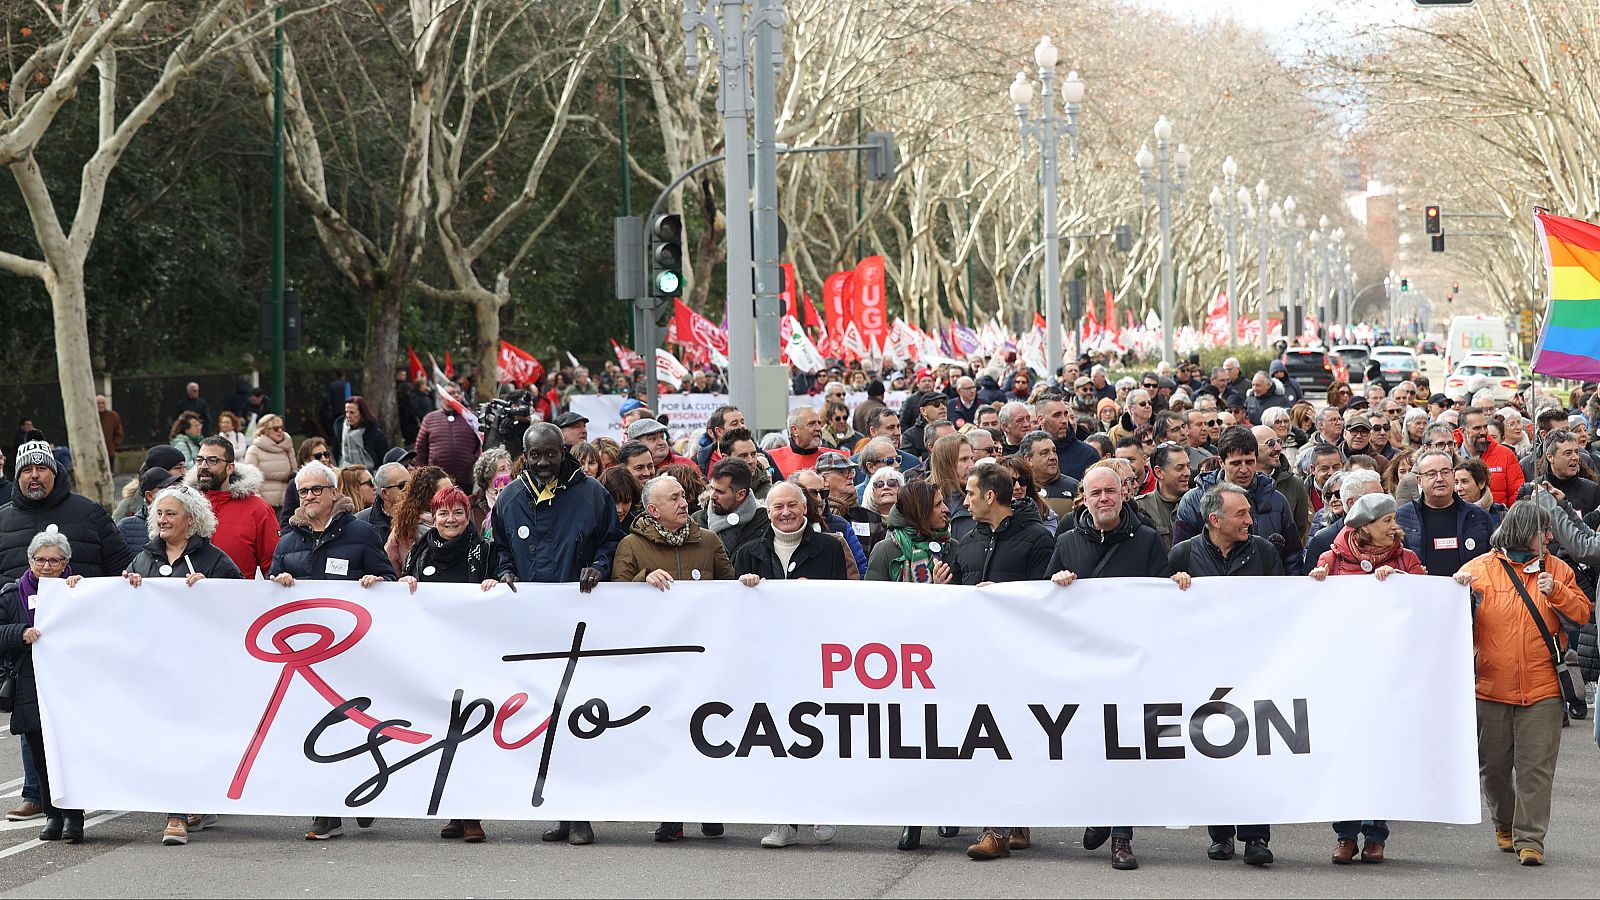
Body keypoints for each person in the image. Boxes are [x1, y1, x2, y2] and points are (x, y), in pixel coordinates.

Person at [489, 423, 621, 848]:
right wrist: (505, 570)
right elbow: (502, 549)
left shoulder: (592, 495)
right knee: (544, 720)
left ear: (563, 452)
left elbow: (611, 542)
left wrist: (599, 567)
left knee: (576, 719)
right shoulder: (509, 499)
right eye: (535, 456)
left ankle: (580, 813)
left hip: (581, 625)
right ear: (523, 456)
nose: (543, 463)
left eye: (551, 454)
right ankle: (558, 812)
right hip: (532, 630)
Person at [1456, 500, 1591, 866]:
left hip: (1544, 689)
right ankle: (1504, 823)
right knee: (1495, 768)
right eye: (1543, 531)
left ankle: (1530, 839)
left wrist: (1557, 592)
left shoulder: (1557, 570)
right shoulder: (1477, 571)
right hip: (1490, 688)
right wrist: (1459, 594)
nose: (1549, 537)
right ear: (1525, 532)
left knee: (1536, 770)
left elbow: (1583, 614)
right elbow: (1450, 626)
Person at [270, 461, 394, 840]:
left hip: (353, 653)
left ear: (333, 492)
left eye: (316, 490)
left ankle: (364, 795)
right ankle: (324, 811)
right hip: (307, 660)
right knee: (312, 729)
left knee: (353, 728)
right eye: (303, 491)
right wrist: (278, 581)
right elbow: (271, 592)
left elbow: (388, 577)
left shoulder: (361, 533)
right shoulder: (287, 541)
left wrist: (377, 581)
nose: (309, 497)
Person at [611, 474, 735, 844]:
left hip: (705, 659)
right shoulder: (631, 546)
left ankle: (711, 809)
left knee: (709, 734)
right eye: (674, 498)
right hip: (659, 660)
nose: (684, 502)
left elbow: (731, 592)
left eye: (684, 496)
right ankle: (672, 814)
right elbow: (615, 599)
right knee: (666, 737)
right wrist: (643, 579)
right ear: (653, 510)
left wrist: (746, 583)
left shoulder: (708, 541)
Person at [120, 484, 243, 845]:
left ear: (191, 521)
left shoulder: (215, 560)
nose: (162, 520)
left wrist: (213, 589)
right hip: (158, 667)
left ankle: (194, 804)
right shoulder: (142, 559)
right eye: (159, 513)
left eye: (170, 513)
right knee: (169, 736)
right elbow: (117, 604)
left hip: (202, 668)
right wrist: (125, 586)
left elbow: (241, 605)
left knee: (196, 737)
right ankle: (177, 812)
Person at [1304, 492, 1423, 864]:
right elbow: (1311, 613)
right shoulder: (1332, 559)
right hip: (1343, 675)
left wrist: (1402, 581)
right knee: (1345, 753)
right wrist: (1316, 584)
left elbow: (1426, 599)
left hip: (1388, 674)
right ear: (1365, 526)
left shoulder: (1406, 558)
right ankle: (1345, 834)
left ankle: (1376, 834)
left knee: (1379, 752)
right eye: (1386, 520)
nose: (1394, 526)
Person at [1167, 482, 1282, 865]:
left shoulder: (1264, 552)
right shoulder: (1182, 554)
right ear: (1214, 520)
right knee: (1212, 747)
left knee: (1253, 750)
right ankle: (1220, 834)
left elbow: (1284, 602)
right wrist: (1173, 588)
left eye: (1250, 513)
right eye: (1242, 515)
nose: (1251, 520)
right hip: (1203, 668)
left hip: (1253, 667)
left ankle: (1255, 838)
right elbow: (1160, 608)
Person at [733, 481, 846, 850]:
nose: (785, 512)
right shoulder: (748, 552)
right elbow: (736, 609)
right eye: (778, 506)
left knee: (819, 734)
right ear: (768, 512)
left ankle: (822, 808)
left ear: (804, 508)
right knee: (778, 740)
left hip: (815, 658)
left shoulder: (829, 547)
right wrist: (746, 587)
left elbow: (840, 602)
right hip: (768, 661)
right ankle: (783, 819)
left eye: (792, 505)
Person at [954, 461, 1052, 862]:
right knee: (990, 741)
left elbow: (1045, 598)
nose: (965, 501)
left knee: (1017, 739)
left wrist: (1007, 596)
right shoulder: (966, 541)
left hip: (1022, 658)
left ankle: (1004, 826)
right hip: (980, 658)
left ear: (990, 496)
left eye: (970, 494)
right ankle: (1004, 825)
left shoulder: (1037, 540)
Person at [390, 484, 497, 844]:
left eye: (458, 513)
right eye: (443, 513)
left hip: (471, 655)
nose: (450, 520)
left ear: (469, 516)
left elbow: (501, 589)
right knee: (442, 733)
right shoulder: (420, 550)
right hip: (433, 655)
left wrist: (492, 586)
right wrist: (404, 583)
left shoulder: (484, 551)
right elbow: (405, 589)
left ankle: (472, 815)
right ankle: (453, 810)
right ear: (432, 517)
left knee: (468, 732)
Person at [1, 527, 86, 842]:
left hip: (71, 686)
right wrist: (20, 632)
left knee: (70, 754)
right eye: (41, 560)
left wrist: (81, 594)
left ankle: (74, 817)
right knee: (39, 753)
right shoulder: (12, 595)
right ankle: (52, 815)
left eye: (55, 561)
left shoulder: (79, 589)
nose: (47, 567)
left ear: (66, 562)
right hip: (31, 685)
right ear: (29, 560)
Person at [1172, 427, 1303, 575]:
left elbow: (1293, 558)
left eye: (1249, 462)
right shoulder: (1193, 501)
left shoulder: (1277, 501)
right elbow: (1183, 556)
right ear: (1221, 462)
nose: (1244, 469)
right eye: (1236, 463)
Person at [0, 439, 132, 581]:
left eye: (41, 468)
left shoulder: (92, 514)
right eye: (27, 470)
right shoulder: (2, 519)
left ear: (54, 473)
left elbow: (123, 572)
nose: (34, 475)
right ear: (18, 477)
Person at [188, 437, 278, 578]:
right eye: (199, 460)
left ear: (230, 468)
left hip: (239, 597)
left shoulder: (258, 509)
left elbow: (274, 567)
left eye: (212, 460)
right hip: (187, 597)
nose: (203, 466)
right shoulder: (184, 505)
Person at [1397, 448, 1495, 575]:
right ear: (1419, 480)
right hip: (1420, 592)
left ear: (1453, 475)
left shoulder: (1479, 516)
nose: (1439, 479)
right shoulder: (1402, 518)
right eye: (1431, 474)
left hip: (1469, 592)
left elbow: (1492, 563)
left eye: (1445, 472)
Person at [691, 458, 769, 555]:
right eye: (712, 489)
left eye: (720, 492)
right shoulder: (697, 521)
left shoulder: (765, 522)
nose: (712, 496)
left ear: (740, 495)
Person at [384, 466, 451, 573]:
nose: (452, 497)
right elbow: (389, 571)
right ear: (427, 497)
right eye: (445, 494)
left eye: (453, 491)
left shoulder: (459, 525)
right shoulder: (402, 531)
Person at [415, 383, 482, 489]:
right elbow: (421, 449)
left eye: (458, 393)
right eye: (451, 393)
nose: (456, 395)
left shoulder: (471, 418)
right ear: (442, 397)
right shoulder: (429, 419)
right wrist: (421, 473)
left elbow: (482, 443)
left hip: (466, 478)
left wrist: (472, 459)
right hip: (438, 480)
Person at [817, 453, 883, 553]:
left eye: (852, 471)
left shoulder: (871, 518)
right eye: (843, 472)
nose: (851, 476)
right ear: (824, 479)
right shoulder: (815, 516)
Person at [1255, 425, 1310, 540]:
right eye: (1270, 443)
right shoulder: (1241, 482)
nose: (1278, 448)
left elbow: (1300, 530)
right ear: (1253, 448)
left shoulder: (1294, 484)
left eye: (1278, 442)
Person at [1461, 409, 1525, 506]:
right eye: (1477, 428)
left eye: (1485, 427)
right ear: (1463, 431)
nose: (1483, 432)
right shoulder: (1451, 457)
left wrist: (1506, 518)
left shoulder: (1505, 455)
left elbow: (1518, 494)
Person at [1135, 442, 1191, 549]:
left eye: (1188, 466)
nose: (1187, 472)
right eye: (1180, 468)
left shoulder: (1198, 502)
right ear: (1159, 472)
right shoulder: (1140, 506)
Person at [243, 414, 296, 509]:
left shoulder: (288, 447)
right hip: (264, 505)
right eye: (275, 428)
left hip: (286, 503)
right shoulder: (254, 450)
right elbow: (250, 480)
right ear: (265, 430)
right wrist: (259, 503)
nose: (280, 431)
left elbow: (294, 472)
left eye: (281, 428)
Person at [333, 396, 389, 469]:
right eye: (346, 412)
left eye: (352, 412)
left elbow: (384, 459)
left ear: (362, 414)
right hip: (345, 472)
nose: (348, 416)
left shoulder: (375, 434)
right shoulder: (341, 430)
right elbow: (336, 453)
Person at [358, 461, 409, 539]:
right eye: (402, 486)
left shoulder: (425, 517)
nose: (410, 490)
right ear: (385, 493)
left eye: (412, 484)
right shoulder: (362, 523)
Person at [1455, 458, 1508, 526]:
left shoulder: (1501, 517)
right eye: (1456, 482)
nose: (1458, 488)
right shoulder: (1450, 514)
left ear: (1481, 483)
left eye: (1465, 481)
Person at [600, 466, 643, 533]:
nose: (619, 509)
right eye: (614, 501)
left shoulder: (636, 529)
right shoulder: (590, 526)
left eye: (626, 502)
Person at [96, 394, 124, 463]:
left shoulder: (113, 416)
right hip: (95, 453)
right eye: (98, 403)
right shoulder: (91, 417)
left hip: (109, 452)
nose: (101, 405)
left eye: (103, 403)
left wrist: (113, 445)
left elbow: (119, 432)